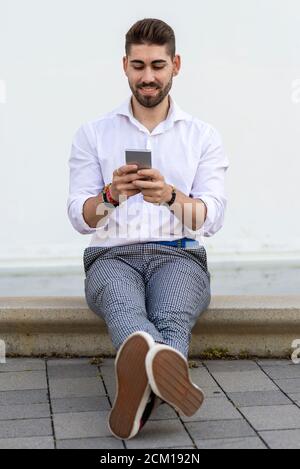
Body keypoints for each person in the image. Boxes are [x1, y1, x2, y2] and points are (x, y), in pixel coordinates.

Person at [67, 18, 229, 440]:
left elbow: (211, 218)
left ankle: (138, 401)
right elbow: (79, 218)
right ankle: (163, 382)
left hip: (180, 254)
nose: (148, 76)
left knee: (172, 316)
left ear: (175, 64)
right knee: (129, 317)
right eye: (138, 66)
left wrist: (172, 198)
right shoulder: (93, 134)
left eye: (157, 65)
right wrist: (109, 197)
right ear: (124, 66)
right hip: (110, 255)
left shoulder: (203, 137)